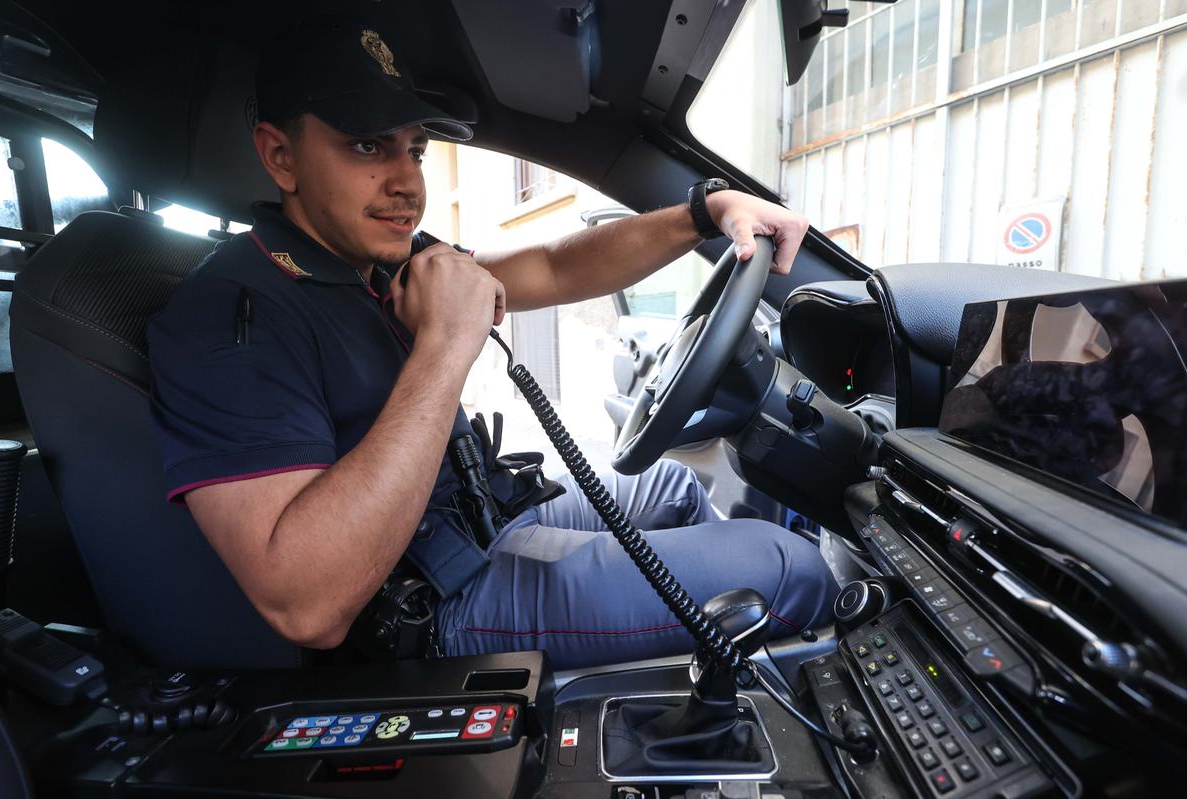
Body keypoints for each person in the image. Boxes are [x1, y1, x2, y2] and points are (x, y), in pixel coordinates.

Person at [147, 17, 838, 671]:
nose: (406, 181)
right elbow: (308, 603)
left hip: (486, 515)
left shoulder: (382, 259)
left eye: (414, 149)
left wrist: (703, 211)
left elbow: (554, 266)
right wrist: (447, 342)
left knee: (674, 486)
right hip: (431, 606)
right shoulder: (232, 313)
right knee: (788, 569)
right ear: (279, 155)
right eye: (367, 145)